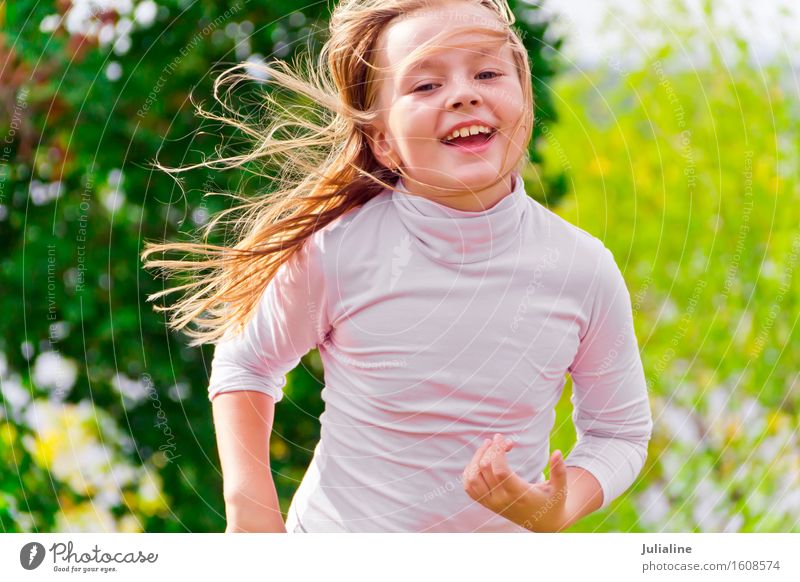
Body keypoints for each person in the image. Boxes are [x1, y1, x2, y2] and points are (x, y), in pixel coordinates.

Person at [142, 0, 653, 533]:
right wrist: (252, 517)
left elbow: (619, 432)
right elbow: (247, 363)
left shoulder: (583, 268)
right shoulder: (339, 251)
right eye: (426, 85)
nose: (463, 93)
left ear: (523, 101)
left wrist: (561, 506)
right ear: (383, 142)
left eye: (487, 72)